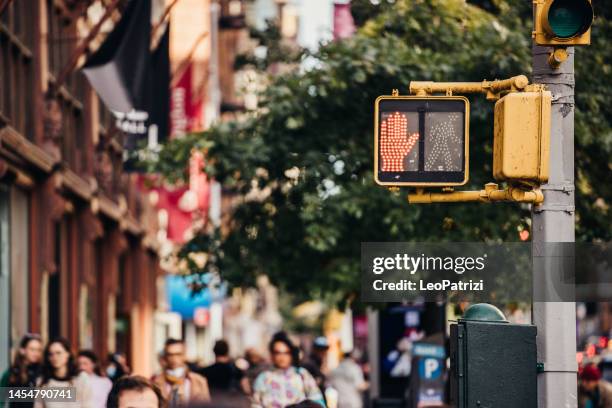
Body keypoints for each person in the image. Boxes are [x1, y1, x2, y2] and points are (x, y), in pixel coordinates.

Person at [251, 332, 325, 408]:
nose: (282, 357)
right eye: (278, 353)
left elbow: (317, 400)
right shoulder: (264, 378)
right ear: (272, 355)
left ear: (291, 354)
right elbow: (256, 404)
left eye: (286, 353)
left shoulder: (301, 375)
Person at [34, 337, 93, 408]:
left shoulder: (81, 378)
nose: (54, 357)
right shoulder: (42, 381)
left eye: (58, 353)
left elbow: (87, 405)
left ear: (68, 354)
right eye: (51, 354)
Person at [152, 338, 210, 406]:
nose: (174, 358)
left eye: (178, 354)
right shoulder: (155, 382)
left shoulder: (199, 381)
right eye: (170, 355)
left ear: (184, 355)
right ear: (165, 357)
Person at [0, 333, 43, 408]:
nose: (36, 353)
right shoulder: (12, 373)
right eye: (32, 349)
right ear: (22, 350)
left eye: (38, 350)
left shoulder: (43, 372)